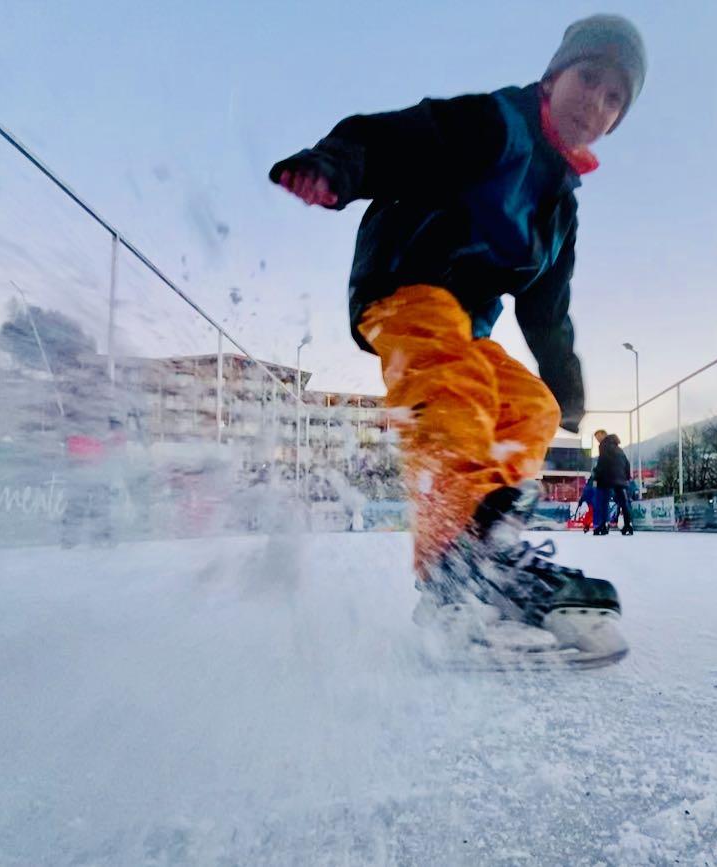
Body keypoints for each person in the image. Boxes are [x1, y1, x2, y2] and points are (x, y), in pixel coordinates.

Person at [269, 15, 646, 646]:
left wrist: (567, 386)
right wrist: (334, 166)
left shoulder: (559, 208)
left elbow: (547, 309)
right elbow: (396, 138)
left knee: (529, 406)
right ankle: (451, 571)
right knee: (457, 385)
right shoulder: (497, 125)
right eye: (589, 78)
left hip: (465, 324)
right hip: (402, 284)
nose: (596, 103)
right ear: (554, 77)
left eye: (614, 99)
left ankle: (490, 542)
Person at [592, 432, 634, 536]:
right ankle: (628, 525)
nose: (597, 439)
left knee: (604, 502)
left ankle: (603, 525)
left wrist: (596, 475)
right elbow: (627, 463)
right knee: (624, 503)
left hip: (607, 477)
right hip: (620, 479)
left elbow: (602, 461)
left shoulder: (603, 445)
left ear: (603, 435)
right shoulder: (619, 449)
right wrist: (627, 478)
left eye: (598, 437)